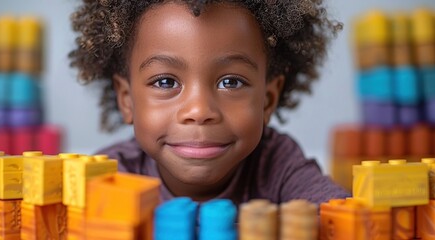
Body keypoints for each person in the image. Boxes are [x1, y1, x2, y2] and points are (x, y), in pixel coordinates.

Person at [68, 0, 349, 204]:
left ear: (267, 100)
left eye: (231, 82)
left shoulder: (278, 165)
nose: (199, 111)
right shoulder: (111, 175)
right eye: (166, 82)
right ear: (127, 100)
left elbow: (338, 217)